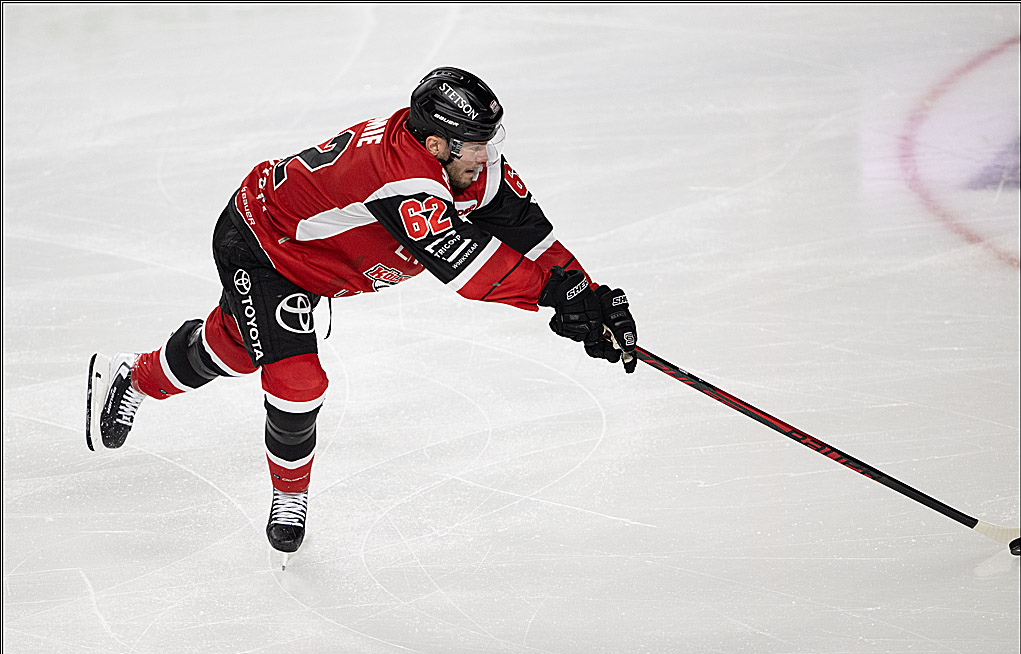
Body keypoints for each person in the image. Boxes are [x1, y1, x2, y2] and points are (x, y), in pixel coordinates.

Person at [86, 66, 638, 558]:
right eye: (473, 142)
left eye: (490, 139)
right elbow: (468, 271)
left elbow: (531, 238)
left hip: (314, 261)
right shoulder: (406, 177)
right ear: (435, 141)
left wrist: (588, 297)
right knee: (297, 380)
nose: (486, 154)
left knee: (234, 349)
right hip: (263, 244)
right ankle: (289, 496)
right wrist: (557, 296)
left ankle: (134, 376)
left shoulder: (467, 164)